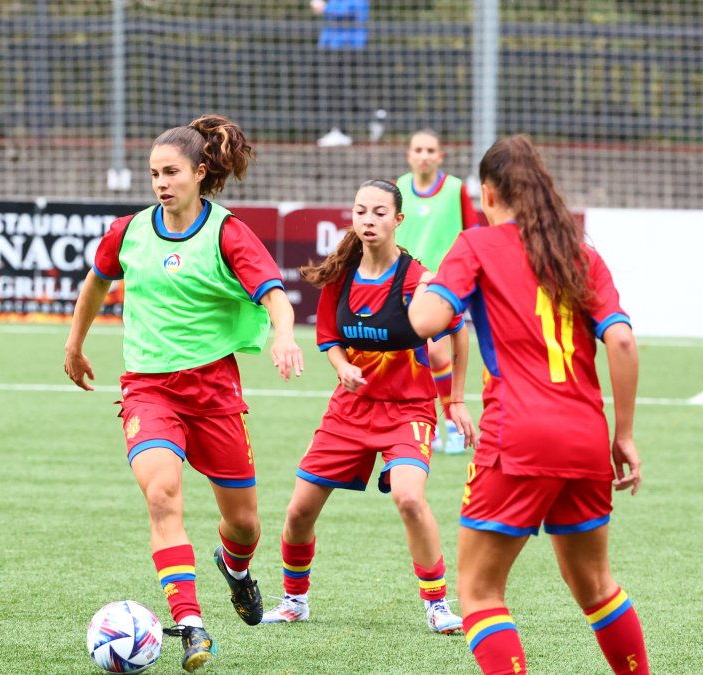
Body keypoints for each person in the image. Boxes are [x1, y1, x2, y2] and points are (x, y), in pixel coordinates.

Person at [64, 114, 304, 672]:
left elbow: (274, 295)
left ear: (200, 172)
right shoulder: (128, 231)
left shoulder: (228, 232)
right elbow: (96, 282)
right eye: (153, 174)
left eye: (171, 172)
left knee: (244, 524)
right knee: (161, 495)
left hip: (214, 392)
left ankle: (236, 568)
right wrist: (75, 345)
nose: (161, 183)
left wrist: (285, 337)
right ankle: (191, 625)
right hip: (149, 390)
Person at [408, 135, 647, 674]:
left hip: (517, 433)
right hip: (586, 436)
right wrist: (625, 434)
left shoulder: (475, 246)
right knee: (596, 586)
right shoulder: (580, 254)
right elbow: (624, 342)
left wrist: (425, 283)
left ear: (487, 193)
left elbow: (426, 323)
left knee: (480, 592)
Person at [260, 179, 473, 636]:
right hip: (350, 412)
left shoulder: (419, 279)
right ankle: (295, 600)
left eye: (379, 212)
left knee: (410, 497)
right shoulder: (342, 275)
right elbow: (329, 339)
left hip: (409, 411)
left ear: (398, 220)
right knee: (298, 512)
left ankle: (437, 605)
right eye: (360, 211)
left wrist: (455, 398)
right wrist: (341, 368)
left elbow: (459, 327)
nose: (368, 220)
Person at [395, 129, 479, 455]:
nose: (425, 155)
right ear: (409, 155)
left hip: (443, 286)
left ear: (441, 156)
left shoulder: (456, 189)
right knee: (404, 358)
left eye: (431, 149)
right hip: (403, 283)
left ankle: (452, 424)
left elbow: (472, 233)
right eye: (418, 149)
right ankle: (416, 423)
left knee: (438, 353)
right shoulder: (399, 188)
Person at [311, 0, 371, 147]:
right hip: (333, 45)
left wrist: (324, 7)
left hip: (348, 45)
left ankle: (342, 131)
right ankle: (370, 118)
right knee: (334, 88)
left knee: (341, 88)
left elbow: (350, 9)